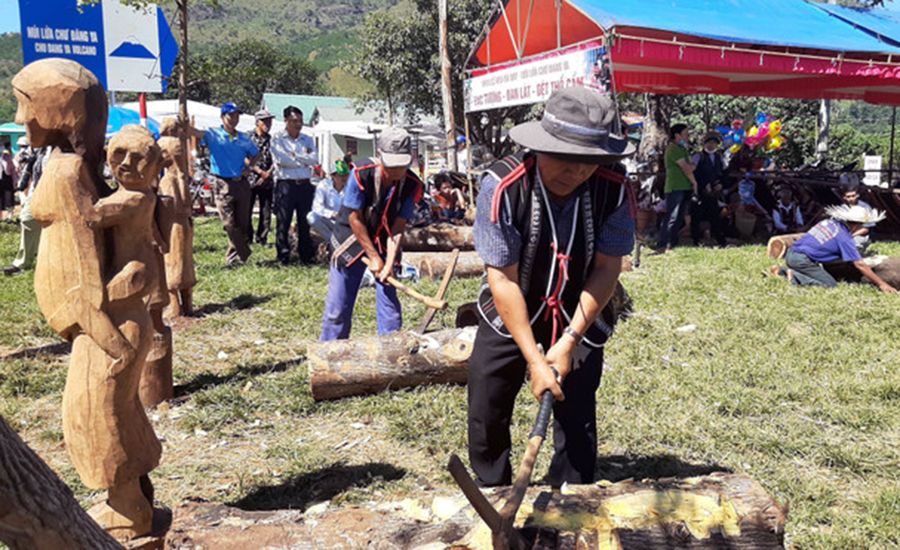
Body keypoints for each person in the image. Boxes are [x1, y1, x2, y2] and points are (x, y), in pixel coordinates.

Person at [468, 87, 635, 488]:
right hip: (512, 310)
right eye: (567, 158)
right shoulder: (503, 186)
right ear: (541, 146)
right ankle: (493, 488)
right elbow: (503, 278)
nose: (578, 172)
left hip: (580, 311)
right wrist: (535, 359)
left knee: (577, 414)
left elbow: (608, 268)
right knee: (486, 404)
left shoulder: (614, 188)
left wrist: (568, 342)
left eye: (590, 162)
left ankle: (571, 498)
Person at [320, 126, 423, 341]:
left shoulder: (411, 184)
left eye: (402, 165)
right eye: (392, 165)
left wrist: (388, 264)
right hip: (350, 236)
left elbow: (397, 228)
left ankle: (391, 350)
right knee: (337, 308)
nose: (397, 172)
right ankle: (330, 353)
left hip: (385, 239)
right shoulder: (360, 173)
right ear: (380, 155)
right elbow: (354, 218)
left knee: (389, 302)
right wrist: (374, 257)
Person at [186, 102, 259, 267]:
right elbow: (195, 133)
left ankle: (234, 256)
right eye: (230, 116)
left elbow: (256, 153)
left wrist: (249, 168)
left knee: (242, 223)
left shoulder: (243, 138)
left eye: (237, 116)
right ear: (222, 117)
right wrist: (184, 123)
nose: (234, 119)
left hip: (241, 183)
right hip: (222, 182)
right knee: (228, 223)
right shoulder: (213, 134)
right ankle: (244, 251)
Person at [771, 204, 896, 293]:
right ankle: (795, 276)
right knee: (829, 284)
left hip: (792, 253)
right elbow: (860, 264)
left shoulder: (828, 222)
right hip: (802, 260)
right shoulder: (844, 237)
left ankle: (781, 271)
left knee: (819, 274)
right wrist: (882, 284)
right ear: (856, 225)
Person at [271, 105, 318, 265]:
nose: (298, 124)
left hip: (305, 185)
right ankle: (283, 255)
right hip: (286, 185)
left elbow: (315, 159)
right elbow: (281, 160)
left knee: (305, 221)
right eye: (294, 120)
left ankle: (306, 255)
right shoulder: (278, 138)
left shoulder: (307, 138)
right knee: (283, 221)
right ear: (286, 121)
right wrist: (303, 159)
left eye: (300, 120)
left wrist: (296, 156)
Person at [2, 140, 49, 275]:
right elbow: (31, 166)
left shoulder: (62, 146)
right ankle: (22, 263)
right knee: (27, 219)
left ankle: (47, 260)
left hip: (55, 189)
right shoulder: (39, 147)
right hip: (36, 188)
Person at [658, 123, 697, 252]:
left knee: (680, 216)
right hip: (675, 187)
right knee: (672, 216)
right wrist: (694, 182)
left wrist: (689, 168)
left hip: (684, 186)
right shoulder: (672, 149)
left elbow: (692, 165)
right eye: (685, 134)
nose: (688, 137)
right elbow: (686, 168)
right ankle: (663, 243)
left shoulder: (683, 150)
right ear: (677, 135)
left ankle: (673, 242)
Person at [689, 132, 727, 247]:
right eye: (709, 143)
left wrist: (721, 184)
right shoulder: (698, 156)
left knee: (714, 215)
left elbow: (724, 173)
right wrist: (703, 185)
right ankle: (695, 240)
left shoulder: (720, 157)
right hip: (700, 191)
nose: (711, 145)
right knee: (697, 216)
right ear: (705, 144)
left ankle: (719, 240)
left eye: (714, 143)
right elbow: (693, 173)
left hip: (714, 191)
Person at [247, 109, 275, 246]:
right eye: (265, 121)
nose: (268, 124)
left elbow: (277, 159)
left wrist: (268, 173)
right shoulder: (248, 137)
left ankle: (262, 238)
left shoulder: (272, 140)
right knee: (247, 210)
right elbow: (244, 157)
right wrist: (259, 171)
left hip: (268, 180)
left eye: (269, 121)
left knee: (266, 211)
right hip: (250, 179)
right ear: (257, 122)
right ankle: (248, 238)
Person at [307, 159, 350, 243]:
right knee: (311, 217)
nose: (344, 178)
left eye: (346, 175)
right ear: (333, 176)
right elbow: (316, 208)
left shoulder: (351, 187)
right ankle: (331, 241)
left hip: (346, 223)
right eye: (341, 175)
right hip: (329, 221)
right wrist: (332, 214)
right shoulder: (324, 185)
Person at [841, 184, 874, 254]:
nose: (851, 199)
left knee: (854, 247)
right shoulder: (842, 208)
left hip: (859, 235)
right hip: (845, 234)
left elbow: (866, 229)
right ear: (844, 198)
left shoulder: (865, 208)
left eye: (853, 196)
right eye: (848, 197)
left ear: (857, 196)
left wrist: (851, 236)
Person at [0, 140, 16, 222]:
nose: (1, 147)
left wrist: (15, 180)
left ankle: (10, 218)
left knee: (8, 198)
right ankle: (1, 218)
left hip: (7, 178)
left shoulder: (7, 157)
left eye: (2, 145)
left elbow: (12, 168)